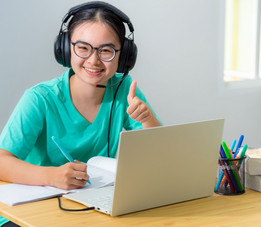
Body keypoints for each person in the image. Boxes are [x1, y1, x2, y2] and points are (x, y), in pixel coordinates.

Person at [0, 2, 161, 226]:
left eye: (106, 50)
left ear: (123, 57)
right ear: (66, 49)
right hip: (30, 212)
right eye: (83, 48)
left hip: (90, 208)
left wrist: (147, 120)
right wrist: (52, 176)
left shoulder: (124, 90)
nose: (94, 60)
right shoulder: (40, 99)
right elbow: (1, 161)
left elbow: (161, 153)